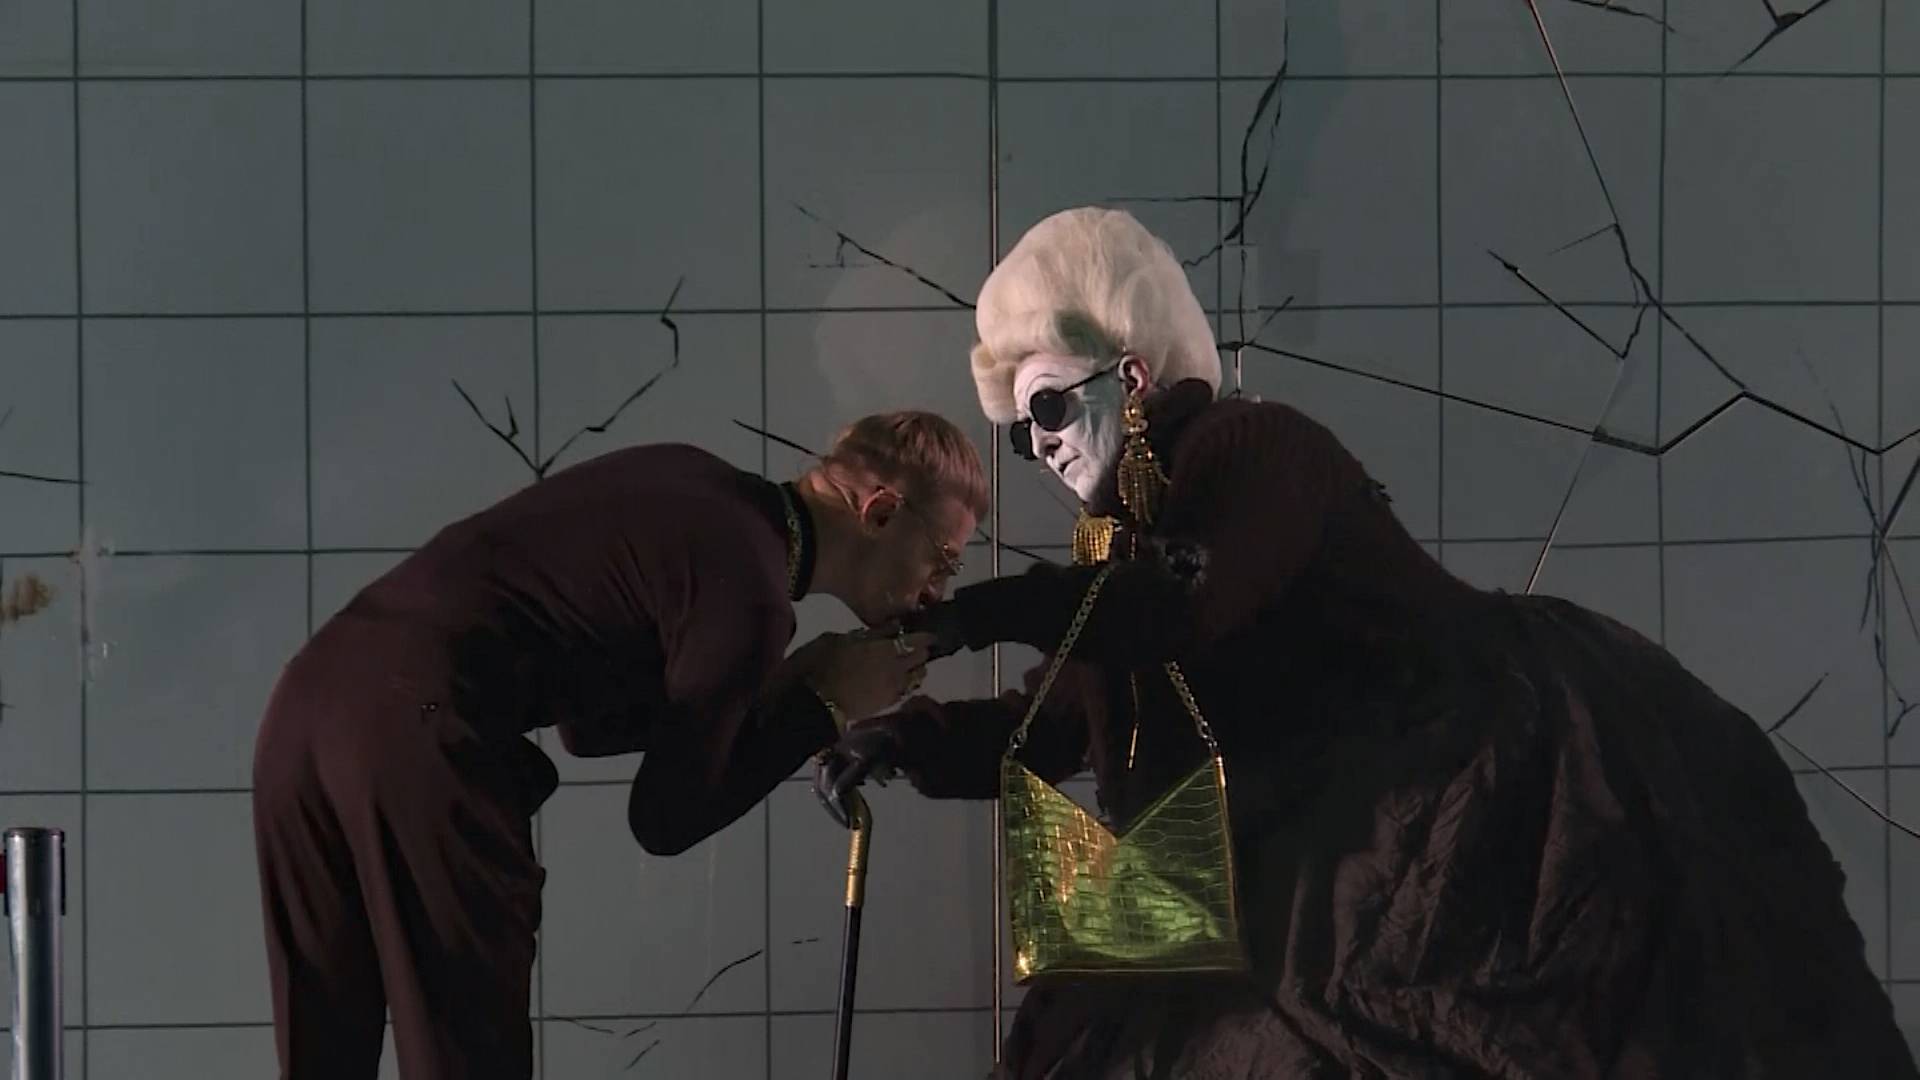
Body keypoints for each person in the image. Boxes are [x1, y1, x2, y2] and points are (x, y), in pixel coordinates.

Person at [818, 207, 1919, 1078]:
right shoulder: (1119, 549)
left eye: (1050, 409)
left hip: (1460, 803)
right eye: (1021, 435)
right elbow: (1060, 721)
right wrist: (907, 740)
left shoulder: (1255, 449)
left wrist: (977, 614)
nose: (1041, 448)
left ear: (1133, 376)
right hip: (1285, 852)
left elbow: (1179, 606)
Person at [252, 412, 987, 1080]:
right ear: (881, 511)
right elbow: (664, 818)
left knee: (324, 1051)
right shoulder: (752, 596)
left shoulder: (695, 479)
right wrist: (825, 706)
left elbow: (588, 726)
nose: (936, 592)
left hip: (304, 708)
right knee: (465, 1053)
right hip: (417, 734)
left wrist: (783, 682)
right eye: (945, 560)